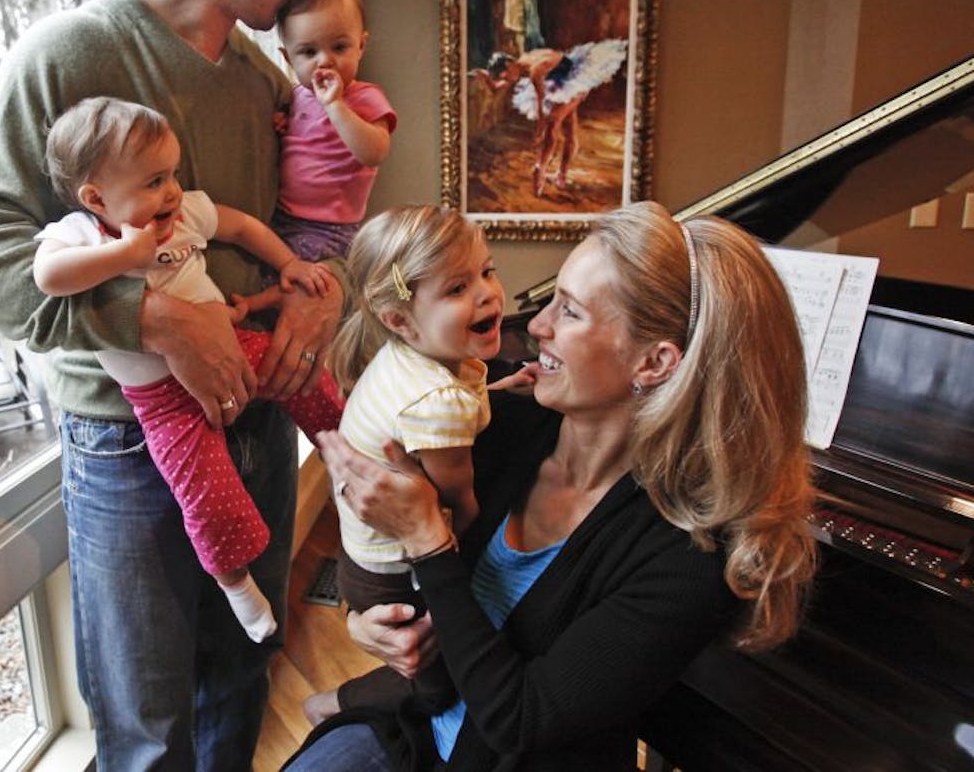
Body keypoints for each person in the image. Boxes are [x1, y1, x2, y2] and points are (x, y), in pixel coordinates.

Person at [0, 0, 345, 772]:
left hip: (255, 420)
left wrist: (313, 293)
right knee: (146, 724)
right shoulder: (67, 56)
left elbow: (298, 230)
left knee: (243, 676)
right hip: (130, 444)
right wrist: (151, 320)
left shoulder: (263, 81)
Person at [286, 201, 817, 772]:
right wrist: (366, 626)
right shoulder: (497, 428)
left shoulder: (689, 557)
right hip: (412, 726)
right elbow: (386, 564)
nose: (536, 325)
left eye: (569, 311)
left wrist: (428, 542)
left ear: (655, 362)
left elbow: (522, 722)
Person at [34, 96, 346, 643]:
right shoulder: (80, 236)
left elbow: (242, 226)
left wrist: (288, 263)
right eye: (154, 181)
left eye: (172, 174)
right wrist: (122, 258)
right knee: (205, 494)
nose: (173, 192)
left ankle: (345, 455)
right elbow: (48, 278)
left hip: (231, 344)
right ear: (95, 197)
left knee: (304, 374)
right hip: (161, 400)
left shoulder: (181, 215)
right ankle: (237, 586)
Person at [316, 204, 507, 717]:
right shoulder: (435, 402)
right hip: (392, 573)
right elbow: (460, 506)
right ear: (400, 319)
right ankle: (334, 708)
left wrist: (502, 391)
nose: (487, 292)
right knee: (437, 685)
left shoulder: (413, 358)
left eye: (487, 271)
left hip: (364, 555)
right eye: (457, 288)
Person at [274, 0, 396, 262]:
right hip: (283, 217)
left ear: (361, 46)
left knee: (304, 285)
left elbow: (375, 152)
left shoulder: (365, 98)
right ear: (289, 59)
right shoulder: (294, 97)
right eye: (308, 51)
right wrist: (281, 127)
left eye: (339, 47)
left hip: (331, 228)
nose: (325, 60)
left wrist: (336, 107)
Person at [471, 40, 627, 197]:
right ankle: (560, 176)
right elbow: (497, 87)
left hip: (574, 78)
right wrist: (485, 76)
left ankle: (542, 168)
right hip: (556, 81)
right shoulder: (518, 67)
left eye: (506, 75)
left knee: (553, 121)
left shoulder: (534, 70)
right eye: (503, 77)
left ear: (510, 64)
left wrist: (540, 130)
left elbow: (541, 107)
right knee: (568, 127)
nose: (508, 80)